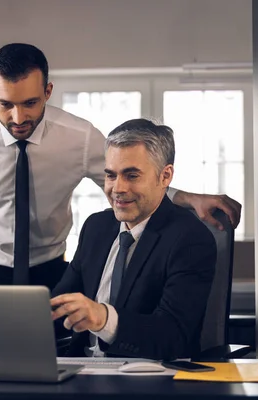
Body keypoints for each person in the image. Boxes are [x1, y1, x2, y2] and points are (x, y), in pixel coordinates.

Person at [0, 42, 239, 288]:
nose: (18, 118)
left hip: (51, 272)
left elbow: (128, 183)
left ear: (48, 92)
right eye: (5, 104)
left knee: (55, 363)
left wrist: (189, 198)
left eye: (30, 103)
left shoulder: (81, 137)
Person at [50, 118, 216, 360]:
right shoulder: (96, 227)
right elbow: (59, 309)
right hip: (80, 372)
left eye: (132, 176)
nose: (118, 188)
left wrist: (104, 318)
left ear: (165, 176)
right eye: (111, 175)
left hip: (148, 381)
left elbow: (173, 337)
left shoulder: (190, 239)